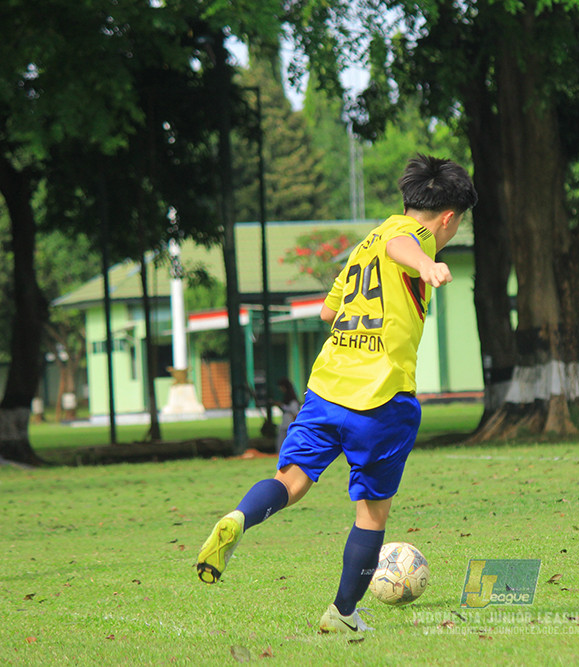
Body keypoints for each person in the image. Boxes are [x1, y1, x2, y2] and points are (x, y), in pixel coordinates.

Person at [195, 154, 477, 635]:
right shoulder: (413, 237)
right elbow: (403, 247)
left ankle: (239, 518)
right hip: (381, 398)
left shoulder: (366, 243)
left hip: (326, 388)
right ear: (449, 217)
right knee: (372, 513)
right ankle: (343, 612)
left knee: (291, 482)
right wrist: (427, 266)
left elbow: (329, 313)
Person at [270, 378, 300, 450]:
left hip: (289, 422)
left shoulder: (292, 399)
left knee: (283, 440)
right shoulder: (288, 397)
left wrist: (281, 405)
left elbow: (294, 410)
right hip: (285, 422)